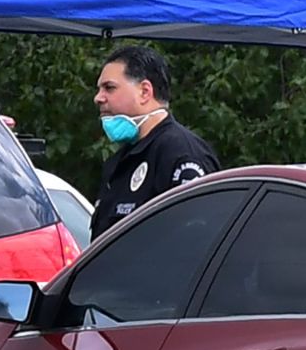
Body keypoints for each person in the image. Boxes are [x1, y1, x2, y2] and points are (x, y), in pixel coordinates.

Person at [89, 44, 221, 238]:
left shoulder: (181, 153)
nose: (98, 98)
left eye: (109, 88)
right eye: (99, 89)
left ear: (145, 91)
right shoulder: (121, 161)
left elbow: (195, 243)